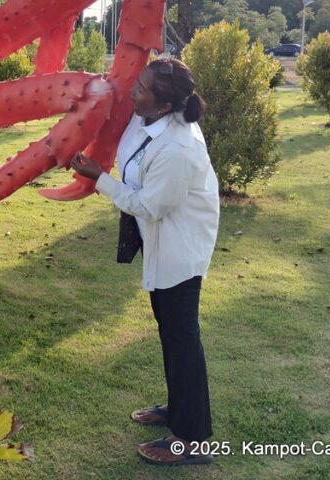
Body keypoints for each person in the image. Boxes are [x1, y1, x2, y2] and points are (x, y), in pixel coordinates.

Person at [70, 58, 220, 467]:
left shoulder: (178, 147)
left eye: (142, 88)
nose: (133, 91)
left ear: (164, 103)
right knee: (171, 333)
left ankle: (193, 440)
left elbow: (149, 206)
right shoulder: (149, 121)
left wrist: (97, 177)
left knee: (183, 338)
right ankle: (178, 410)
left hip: (180, 249)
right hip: (164, 244)